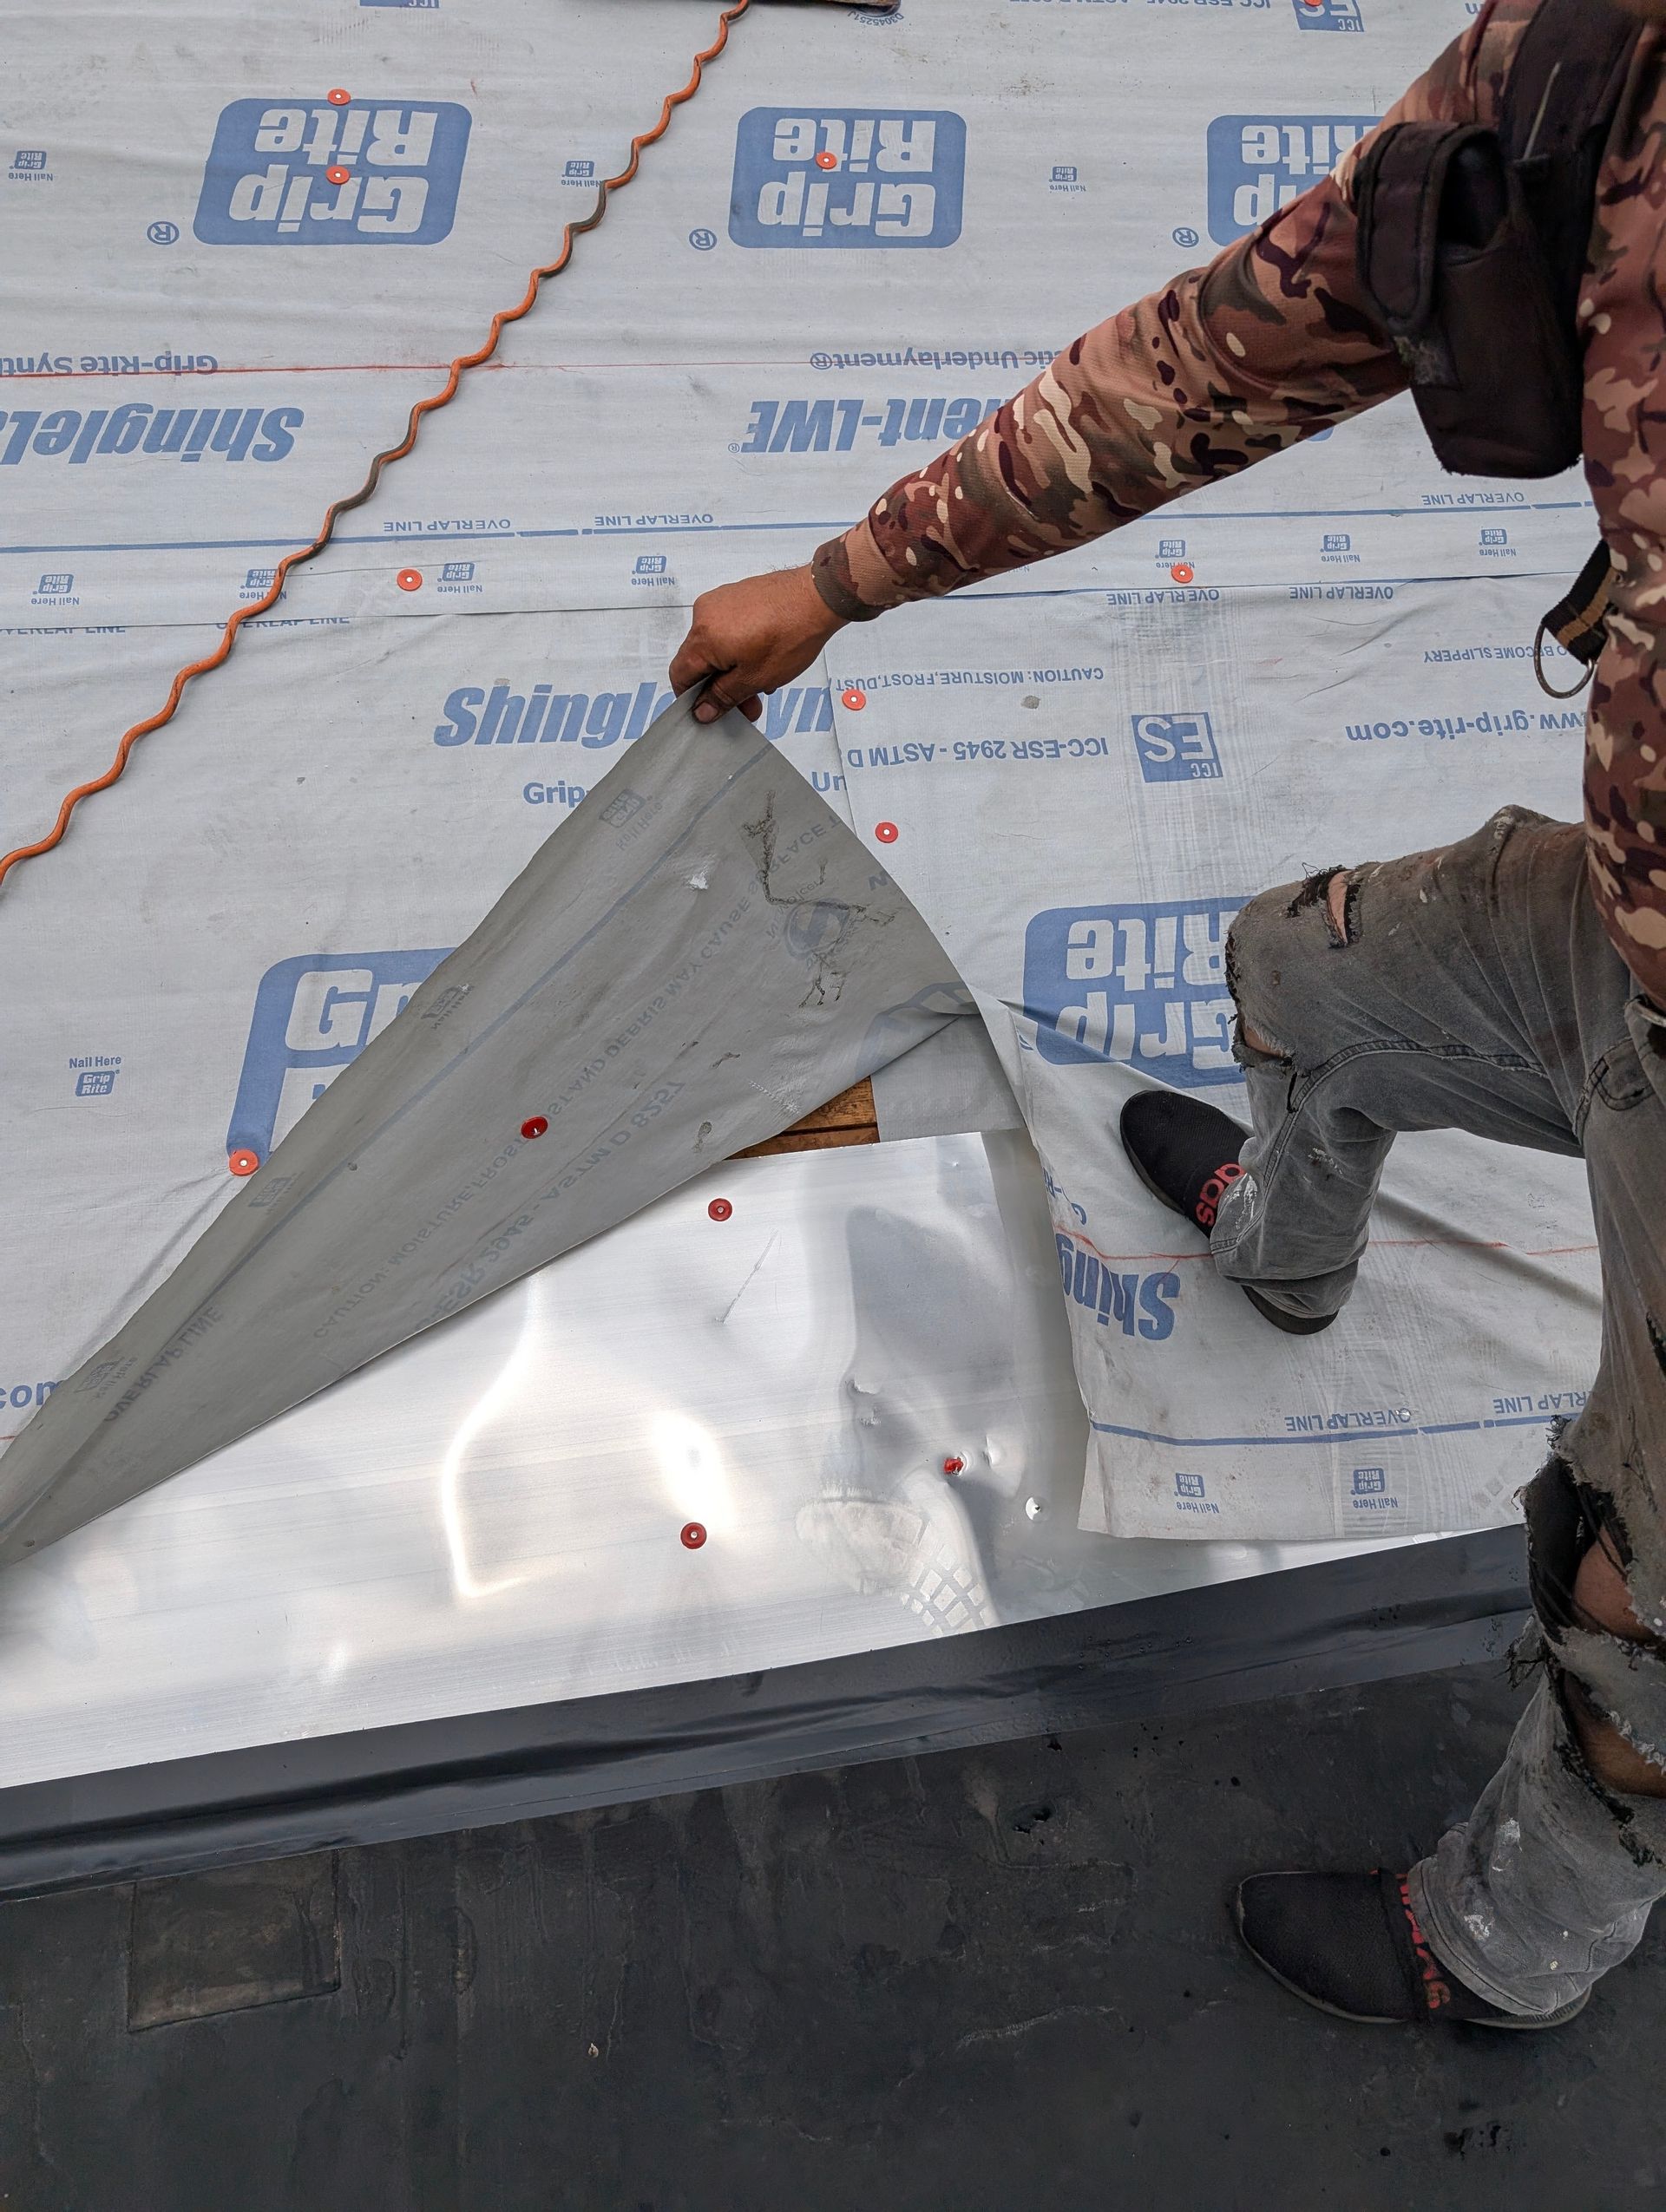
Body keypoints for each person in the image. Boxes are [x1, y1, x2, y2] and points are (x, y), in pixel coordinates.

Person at [669, 0, 1666, 2028]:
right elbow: (1224, 346)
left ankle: (1511, 1947)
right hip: (1627, 919)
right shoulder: (1597, 60)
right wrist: (847, 577)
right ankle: (1286, 1254)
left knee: (1635, 1584)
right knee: (1297, 977)